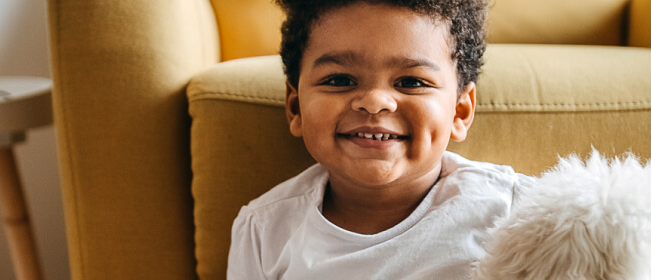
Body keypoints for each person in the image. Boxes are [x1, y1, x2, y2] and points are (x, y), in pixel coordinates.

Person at [226, 0, 534, 278]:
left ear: (460, 111)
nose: (374, 102)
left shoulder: (517, 210)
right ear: (295, 108)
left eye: (411, 82)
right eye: (340, 80)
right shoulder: (263, 230)